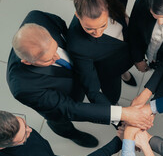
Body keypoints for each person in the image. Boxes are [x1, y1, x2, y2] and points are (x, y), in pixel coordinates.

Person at [7, 10, 152, 148]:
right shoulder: (23, 87)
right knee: (60, 121)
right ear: (27, 62)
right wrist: (123, 113)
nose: (57, 57)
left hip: (75, 77)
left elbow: (63, 28)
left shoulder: (38, 18)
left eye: (55, 49)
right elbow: (70, 108)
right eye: (48, 60)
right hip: (60, 103)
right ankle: (72, 134)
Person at [67, 0, 136, 107]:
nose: (97, 32)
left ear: (107, 7)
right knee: (113, 97)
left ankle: (124, 73)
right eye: (89, 28)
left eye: (102, 25)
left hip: (124, 52)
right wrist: (116, 115)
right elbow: (92, 89)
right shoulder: (77, 46)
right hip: (109, 70)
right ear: (77, 16)